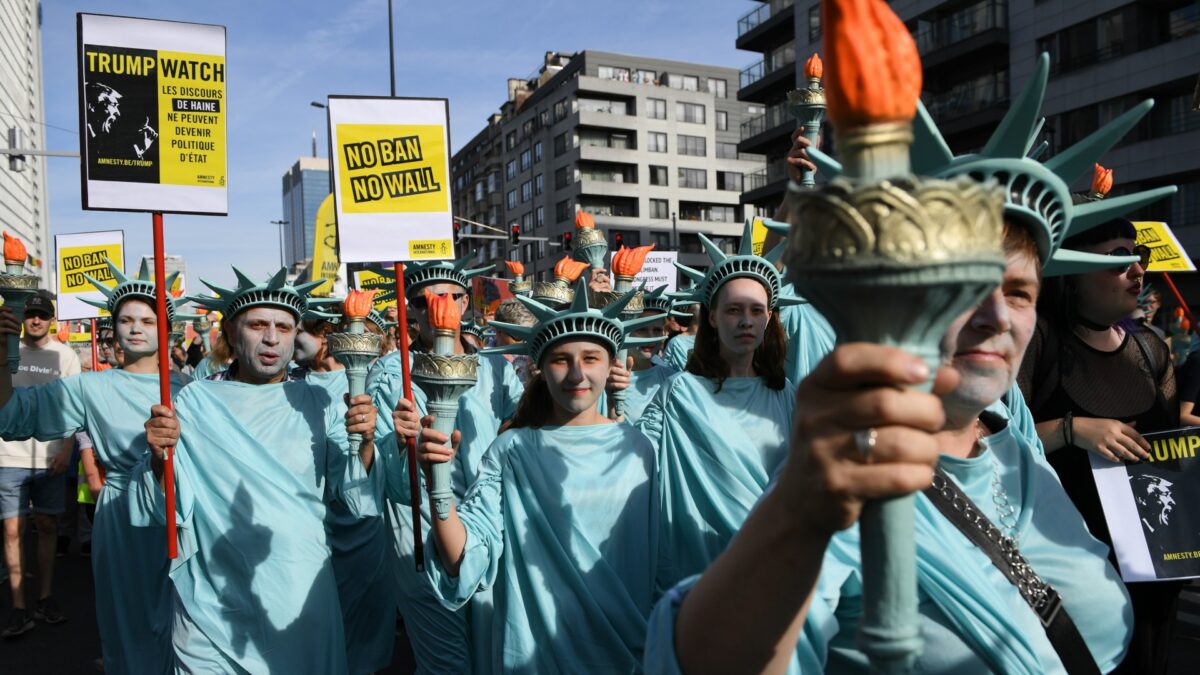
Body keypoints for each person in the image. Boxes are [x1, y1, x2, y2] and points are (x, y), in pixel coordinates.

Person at [649, 48, 1175, 674]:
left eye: (1018, 292)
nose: (996, 316)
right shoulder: (845, 480)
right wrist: (797, 517)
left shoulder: (1016, 447)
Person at [134, 267, 396, 673]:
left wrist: (364, 441)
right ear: (233, 335)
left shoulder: (321, 402)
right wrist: (157, 453)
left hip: (296, 585)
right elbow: (162, 502)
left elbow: (356, 495)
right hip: (212, 593)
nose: (272, 338)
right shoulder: (192, 402)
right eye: (258, 325)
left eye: (285, 327)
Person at [417, 284, 666, 672]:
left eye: (591, 358)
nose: (578, 373)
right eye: (562, 360)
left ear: (612, 364)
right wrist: (439, 483)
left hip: (625, 653)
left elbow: (660, 565)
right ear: (540, 368)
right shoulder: (511, 450)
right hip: (536, 657)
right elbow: (462, 559)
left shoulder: (639, 448)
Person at [0, 261, 190, 670]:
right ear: (114, 327)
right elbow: (10, 417)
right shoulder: (90, 386)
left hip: (183, 513)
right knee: (128, 618)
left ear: (166, 328)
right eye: (125, 319)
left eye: (147, 319)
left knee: (184, 620)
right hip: (123, 515)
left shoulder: (192, 390)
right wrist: (4, 356)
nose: (136, 327)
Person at [366, 257, 521, 674]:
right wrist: (401, 444)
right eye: (425, 301)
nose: (440, 309)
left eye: (451, 299)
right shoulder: (388, 374)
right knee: (446, 665)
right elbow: (390, 480)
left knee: (493, 654)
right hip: (417, 529)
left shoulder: (495, 368)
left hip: (487, 526)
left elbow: (520, 432)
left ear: (466, 303)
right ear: (410, 310)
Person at [638, 226, 804, 587]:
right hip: (699, 575)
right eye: (733, 310)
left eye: (756, 310)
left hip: (774, 569)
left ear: (769, 318)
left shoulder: (786, 395)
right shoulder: (680, 393)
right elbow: (635, 462)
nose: (746, 320)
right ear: (711, 317)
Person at [295, 306, 397, 675]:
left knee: (364, 629)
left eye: (303, 329)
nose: (293, 338)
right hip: (314, 525)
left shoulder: (372, 383)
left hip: (366, 523)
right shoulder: (292, 386)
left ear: (326, 337)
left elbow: (390, 450)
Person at [0, 292, 80, 637]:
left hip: (49, 458)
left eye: (42, 315)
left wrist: (66, 450)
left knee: (47, 526)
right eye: (30, 314)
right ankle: (18, 605)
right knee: (12, 531)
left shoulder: (65, 355)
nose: (35, 320)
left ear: (52, 320)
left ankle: (45, 596)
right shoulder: (6, 349)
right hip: (8, 458)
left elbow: (76, 408)